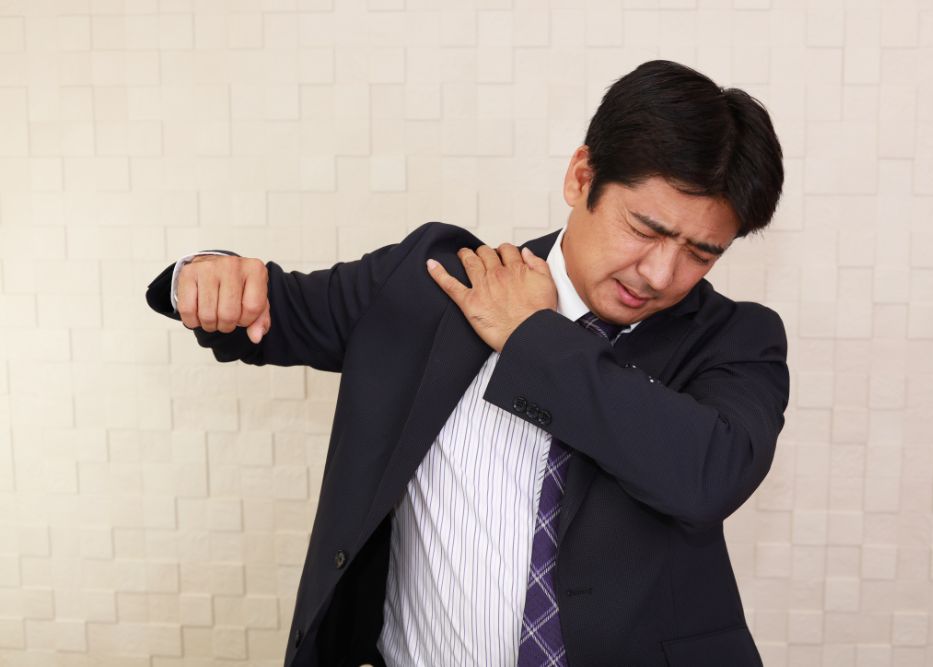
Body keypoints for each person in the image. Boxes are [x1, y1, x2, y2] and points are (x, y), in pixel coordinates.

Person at [146, 60, 788, 667]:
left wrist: (532, 336)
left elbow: (707, 476)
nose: (661, 274)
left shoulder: (737, 341)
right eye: (645, 230)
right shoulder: (433, 285)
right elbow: (275, 309)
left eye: (701, 254)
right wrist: (206, 277)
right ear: (581, 177)